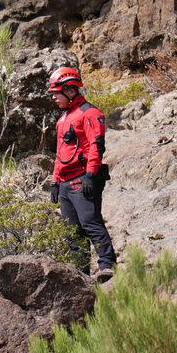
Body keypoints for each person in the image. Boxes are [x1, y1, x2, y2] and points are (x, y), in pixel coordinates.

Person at [47, 67, 117, 282]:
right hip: (66, 183)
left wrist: (90, 174)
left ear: (70, 90)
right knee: (73, 232)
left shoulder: (90, 113)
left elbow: (96, 147)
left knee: (90, 222)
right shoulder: (63, 118)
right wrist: (55, 181)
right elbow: (60, 153)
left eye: (56, 92)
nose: (53, 97)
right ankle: (81, 275)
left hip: (82, 179)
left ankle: (107, 266)